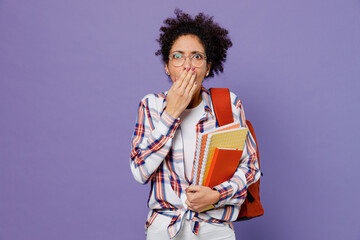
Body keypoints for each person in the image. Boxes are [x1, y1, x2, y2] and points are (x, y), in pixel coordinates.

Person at [130, 9, 260, 240]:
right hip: (165, 229)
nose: (187, 65)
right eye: (177, 56)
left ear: (208, 67)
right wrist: (171, 113)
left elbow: (250, 167)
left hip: (215, 229)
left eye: (197, 56)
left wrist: (217, 195)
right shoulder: (150, 106)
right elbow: (140, 172)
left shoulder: (228, 104)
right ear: (167, 67)